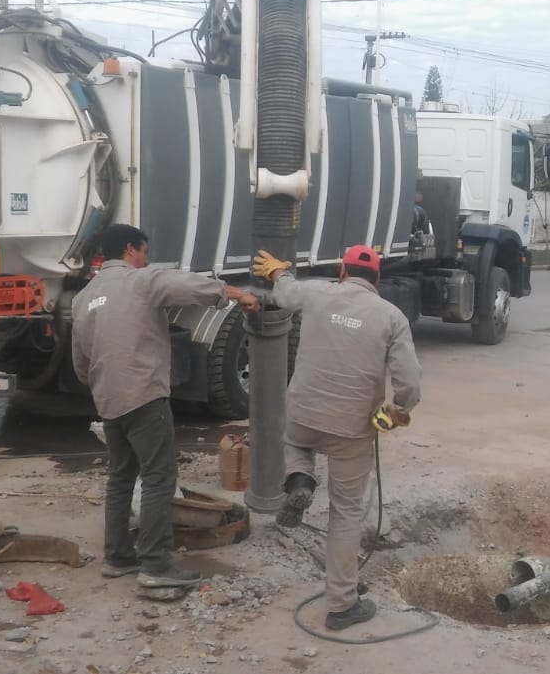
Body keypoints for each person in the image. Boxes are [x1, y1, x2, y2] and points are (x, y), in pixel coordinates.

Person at [72, 224, 260, 588]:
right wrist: (237, 294)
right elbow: (189, 286)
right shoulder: (142, 281)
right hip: (144, 395)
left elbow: (80, 363)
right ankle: (156, 564)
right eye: (144, 252)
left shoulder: (84, 298)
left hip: (109, 400)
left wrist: (104, 384)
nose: (146, 259)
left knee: (121, 477)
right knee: (159, 477)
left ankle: (118, 557)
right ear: (131, 249)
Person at [252, 244, 421, 631]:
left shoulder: (316, 291)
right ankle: (343, 603)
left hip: (304, 415)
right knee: (345, 513)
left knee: (295, 441)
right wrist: (397, 411)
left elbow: (285, 293)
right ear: (377, 279)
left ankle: (300, 477)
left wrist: (278, 272)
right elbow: (409, 382)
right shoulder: (391, 316)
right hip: (352, 428)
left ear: (342, 272)